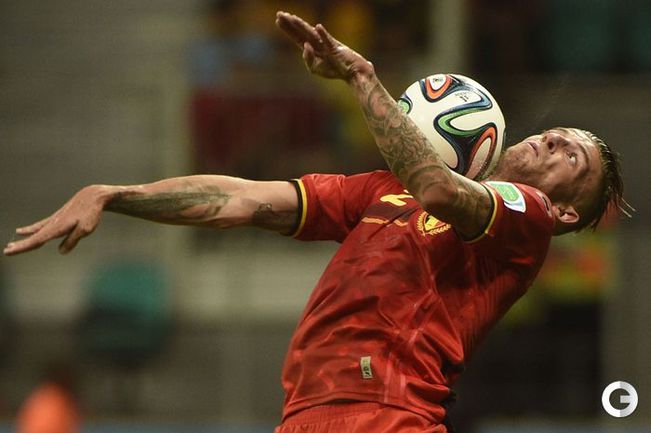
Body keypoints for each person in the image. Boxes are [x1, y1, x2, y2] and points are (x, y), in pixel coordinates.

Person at [3, 11, 625, 433]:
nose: (554, 140)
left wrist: (362, 77)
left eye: (573, 156)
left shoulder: (527, 220)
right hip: (305, 414)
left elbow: (436, 187)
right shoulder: (382, 192)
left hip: (389, 415)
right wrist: (115, 194)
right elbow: (241, 200)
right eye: (557, 132)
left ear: (568, 210)